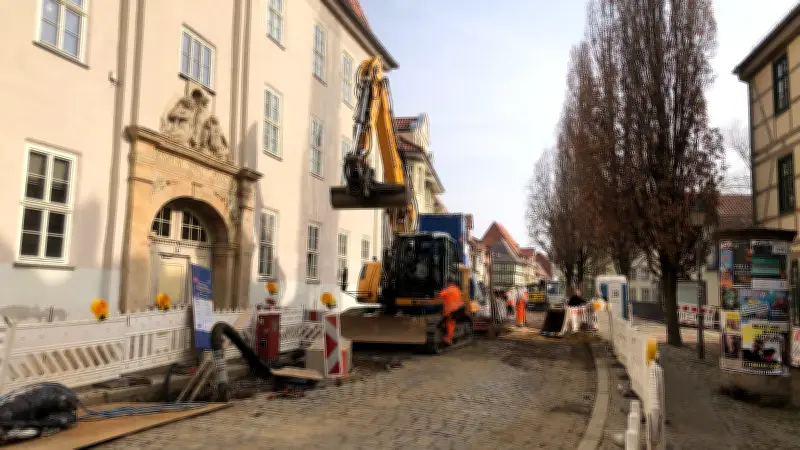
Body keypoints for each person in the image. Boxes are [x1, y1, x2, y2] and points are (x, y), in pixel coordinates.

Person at [439, 275, 465, 345]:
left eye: (446, 283)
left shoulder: (447, 290)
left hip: (452, 311)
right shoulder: (457, 289)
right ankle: (450, 337)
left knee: (449, 323)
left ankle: (448, 339)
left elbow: (439, 295)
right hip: (459, 309)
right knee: (452, 323)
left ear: (448, 282)